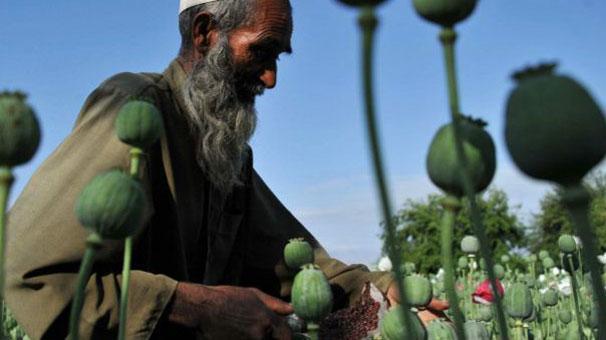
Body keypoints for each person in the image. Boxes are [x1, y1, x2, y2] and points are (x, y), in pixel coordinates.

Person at [5, 0, 445, 339]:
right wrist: (197, 307)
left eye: (279, 57)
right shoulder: (137, 110)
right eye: (262, 51)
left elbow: (294, 263)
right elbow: (28, 274)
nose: (271, 78)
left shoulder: (226, 151)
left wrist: (382, 287)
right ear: (205, 33)